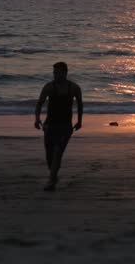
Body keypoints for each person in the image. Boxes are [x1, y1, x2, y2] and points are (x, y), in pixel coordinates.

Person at [34, 61, 83, 191]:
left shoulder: (74, 88)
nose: (56, 75)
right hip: (49, 125)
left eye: (58, 73)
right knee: (49, 155)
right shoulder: (49, 87)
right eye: (54, 73)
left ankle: (51, 180)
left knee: (58, 152)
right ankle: (53, 175)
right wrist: (37, 119)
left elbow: (80, 105)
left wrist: (79, 121)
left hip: (66, 126)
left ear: (65, 73)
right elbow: (39, 103)